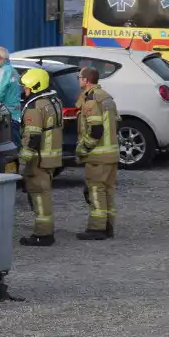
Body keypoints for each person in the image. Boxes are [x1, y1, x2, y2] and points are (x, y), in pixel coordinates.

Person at [18, 67, 64, 247]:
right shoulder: (54, 102)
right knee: (43, 194)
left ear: (35, 86)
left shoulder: (34, 107)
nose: (24, 91)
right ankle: (45, 231)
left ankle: (42, 234)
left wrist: (23, 161)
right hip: (52, 157)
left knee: (39, 195)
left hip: (39, 159)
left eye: (26, 88)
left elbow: (33, 136)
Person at [76, 66, 119, 241]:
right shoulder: (107, 97)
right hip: (111, 153)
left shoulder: (92, 100)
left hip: (98, 155)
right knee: (107, 190)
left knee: (96, 190)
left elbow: (95, 129)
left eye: (79, 77)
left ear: (86, 80)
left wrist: (84, 148)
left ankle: (97, 228)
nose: (78, 79)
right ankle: (108, 226)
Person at [0, 46, 22, 143]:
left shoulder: (3, 71)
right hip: (15, 115)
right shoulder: (12, 70)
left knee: (10, 147)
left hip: (7, 117)